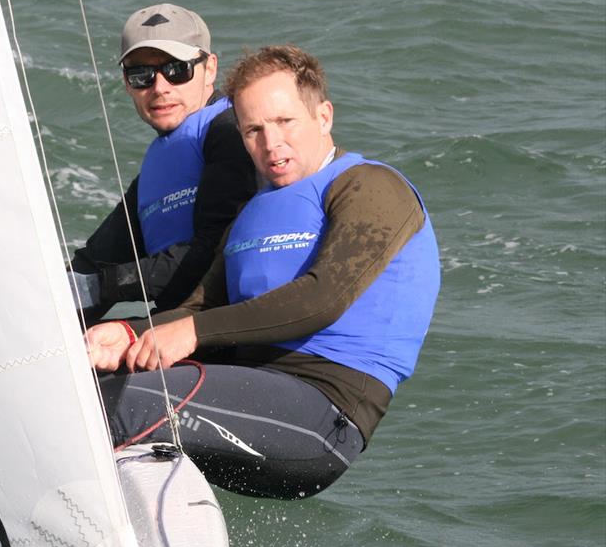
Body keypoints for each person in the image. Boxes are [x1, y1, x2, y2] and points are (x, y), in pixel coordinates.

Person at [87, 45, 441, 500]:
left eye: (284, 122)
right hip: (241, 399)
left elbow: (322, 299)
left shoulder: (371, 186)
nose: (270, 143)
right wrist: (129, 334)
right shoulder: (252, 212)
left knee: (112, 406)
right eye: (253, 129)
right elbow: (203, 305)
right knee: (85, 386)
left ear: (324, 116)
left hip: (321, 413)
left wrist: (191, 333)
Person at [69, 3, 257, 324]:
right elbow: (91, 266)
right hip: (178, 328)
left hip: (236, 335)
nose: (160, 88)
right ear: (127, 84)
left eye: (177, 69)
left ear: (209, 68)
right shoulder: (157, 172)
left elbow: (208, 254)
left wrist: (105, 286)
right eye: (141, 75)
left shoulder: (232, 133)